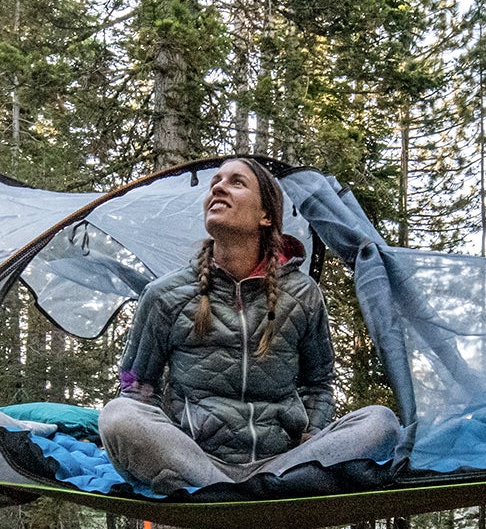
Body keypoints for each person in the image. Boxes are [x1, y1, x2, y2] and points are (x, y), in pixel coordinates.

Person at [99, 158, 400, 495]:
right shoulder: (165, 295)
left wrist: (312, 433)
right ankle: (228, 487)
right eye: (216, 181)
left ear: (265, 216)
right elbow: (137, 387)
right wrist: (167, 437)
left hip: (283, 463)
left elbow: (319, 382)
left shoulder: (302, 294)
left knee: (380, 423)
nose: (218, 187)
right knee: (118, 416)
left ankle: (244, 487)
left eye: (236, 182)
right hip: (199, 459)